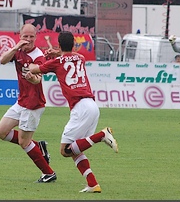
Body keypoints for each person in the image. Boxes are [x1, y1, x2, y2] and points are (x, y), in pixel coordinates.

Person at [27, 31, 118, 193]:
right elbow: (71, 56)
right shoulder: (80, 58)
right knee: (76, 150)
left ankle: (102, 135)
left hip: (81, 108)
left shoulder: (56, 62)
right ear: (74, 45)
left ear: (59, 45)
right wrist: (59, 53)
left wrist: (31, 64)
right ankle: (93, 184)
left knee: (65, 150)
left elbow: (35, 69)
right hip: (92, 106)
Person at [0, 23, 57, 183]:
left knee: (24, 142)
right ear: (20, 36)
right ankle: (39, 147)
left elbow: (38, 79)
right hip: (21, 101)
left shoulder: (38, 56)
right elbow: (2, 60)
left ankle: (48, 173)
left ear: (36, 38)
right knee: (1, 132)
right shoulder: (18, 51)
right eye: (25, 36)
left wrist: (32, 78)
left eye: (31, 37)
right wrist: (16, 47)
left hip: (34, 104)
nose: (28, 39)